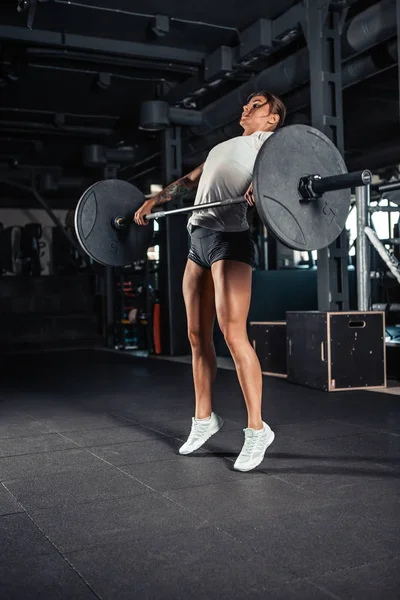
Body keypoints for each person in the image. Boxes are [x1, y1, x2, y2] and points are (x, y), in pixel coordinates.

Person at [134, 91, 286, 472]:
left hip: (229, 239)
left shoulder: (272, 143)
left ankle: (256, 430)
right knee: (197, 336)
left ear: (272, 119)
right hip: (197, 238)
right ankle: (205, 420)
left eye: (257, 105)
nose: (247, 109)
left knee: (232, 334)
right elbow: (191, 180)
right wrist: (157, 200)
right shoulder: (225, 146)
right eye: (246, 104)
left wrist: (265, 183)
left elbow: (293, 171)